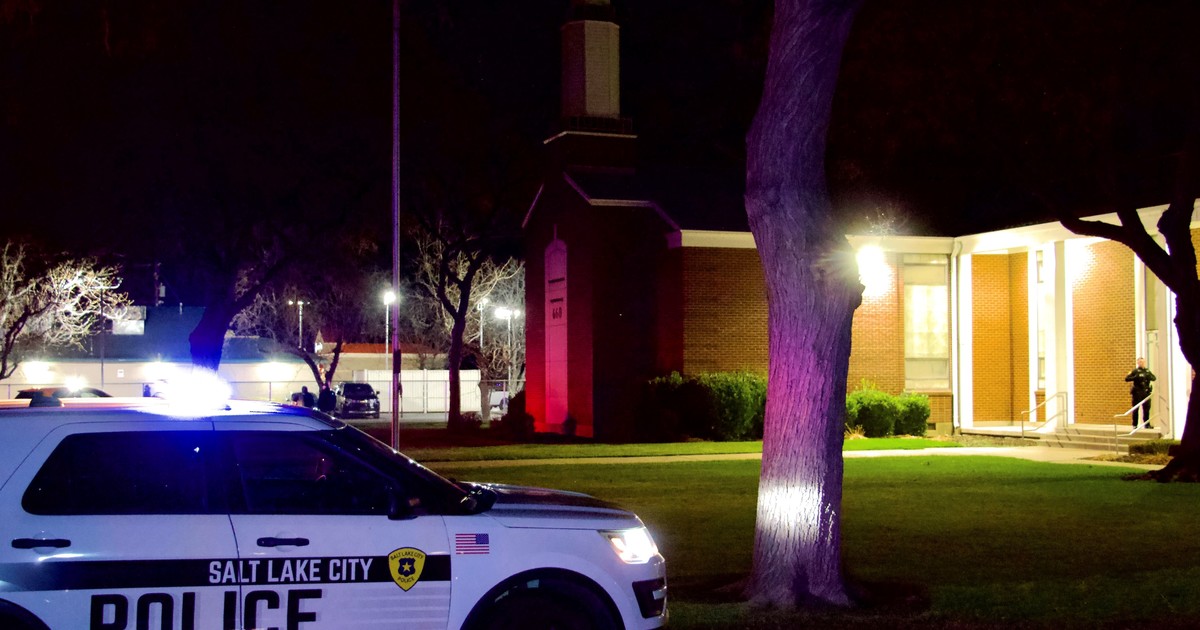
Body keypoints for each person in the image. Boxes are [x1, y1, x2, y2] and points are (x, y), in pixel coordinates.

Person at [1125, 357, 1157, 428]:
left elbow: (1154, 378)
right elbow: (1127, 379)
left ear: (1144, 362)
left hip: (1146, 392)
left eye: (1142, 362)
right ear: (1137, 363)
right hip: (1137, 393)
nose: (1141, 363)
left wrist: (1149, 377)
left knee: (1146, 409)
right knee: (1136, 408)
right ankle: (1134, 425)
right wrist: (1135, 377)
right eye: (1140, 362)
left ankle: (1147, 424)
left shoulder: (1147, 371)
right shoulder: (1135, 371)